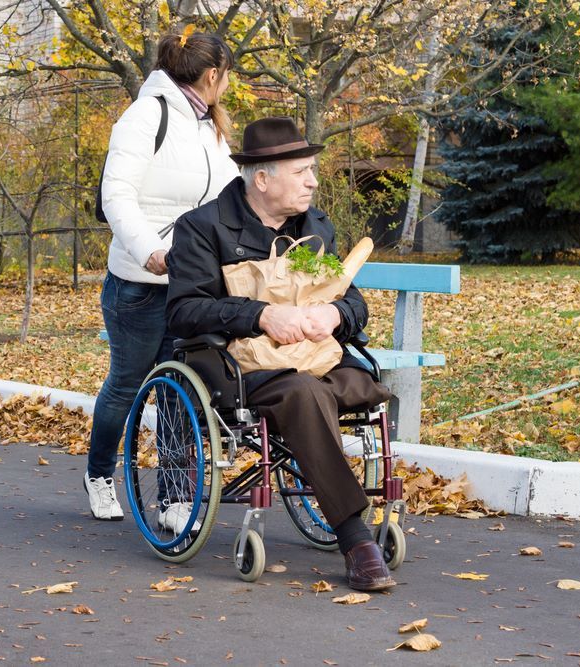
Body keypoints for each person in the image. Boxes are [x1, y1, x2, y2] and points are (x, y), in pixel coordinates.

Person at [165, 117, 396, 591]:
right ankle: (355, 537)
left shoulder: (315, 226)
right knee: (306, 397)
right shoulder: (203, 228)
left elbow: (354, 299)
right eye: (302, 172)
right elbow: (185, 311)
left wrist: (335, 315)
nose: (313, 181)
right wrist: (262, 315)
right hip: (242, 366)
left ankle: (337, 489)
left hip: (316, 355)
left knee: (364, 387)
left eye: (312, 170)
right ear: (263, 179)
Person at [85, 31, 239, 525]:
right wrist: (150, 249)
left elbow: (231, 192)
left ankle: (175, 497)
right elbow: (117, 196)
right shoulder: (146, 115)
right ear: (212, 75)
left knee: (183, 387)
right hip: (138, 284)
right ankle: (100, 473)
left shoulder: (208, 127)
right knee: (128, 384)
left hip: (190, 285)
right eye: (227, 75)